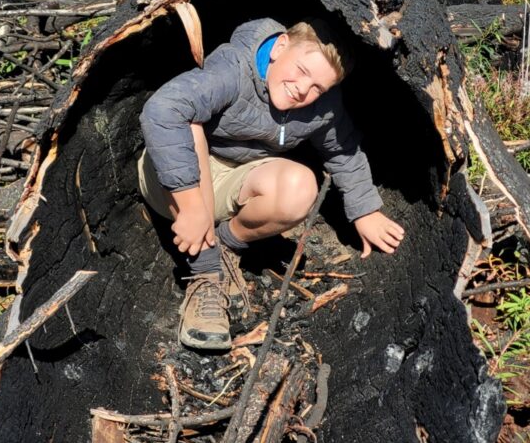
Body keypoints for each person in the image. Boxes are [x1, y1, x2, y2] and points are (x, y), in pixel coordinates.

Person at [139, 17, 404, 350]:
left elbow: (343, 151)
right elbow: (163, 110)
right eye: (303, 71)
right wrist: (192, 206)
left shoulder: (321, 105)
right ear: (280, 47)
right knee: (190, 124)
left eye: (318, 88)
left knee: (300, 186)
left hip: (235, 179)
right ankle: (205, 279)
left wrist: (365, 210)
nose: (303, 90)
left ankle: (225, 246)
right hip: (174, 177)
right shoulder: (234, 68)